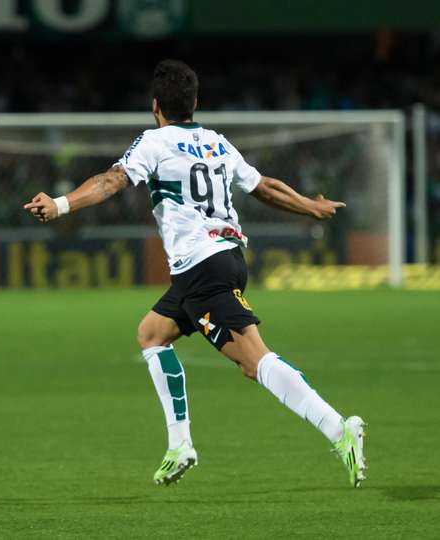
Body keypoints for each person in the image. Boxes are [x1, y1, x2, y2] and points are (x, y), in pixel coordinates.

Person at [23, 59, 366, 488]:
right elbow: (264, 186)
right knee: (152, 334)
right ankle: (180, 444)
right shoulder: (216, 141)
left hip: (202, 266)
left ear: (155, 106)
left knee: (254, 360)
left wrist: (61, 204)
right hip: (219, 261)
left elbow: (111, 181)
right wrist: (310, 206)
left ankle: (339, 428)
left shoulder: (154, 142)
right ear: (196, 102)